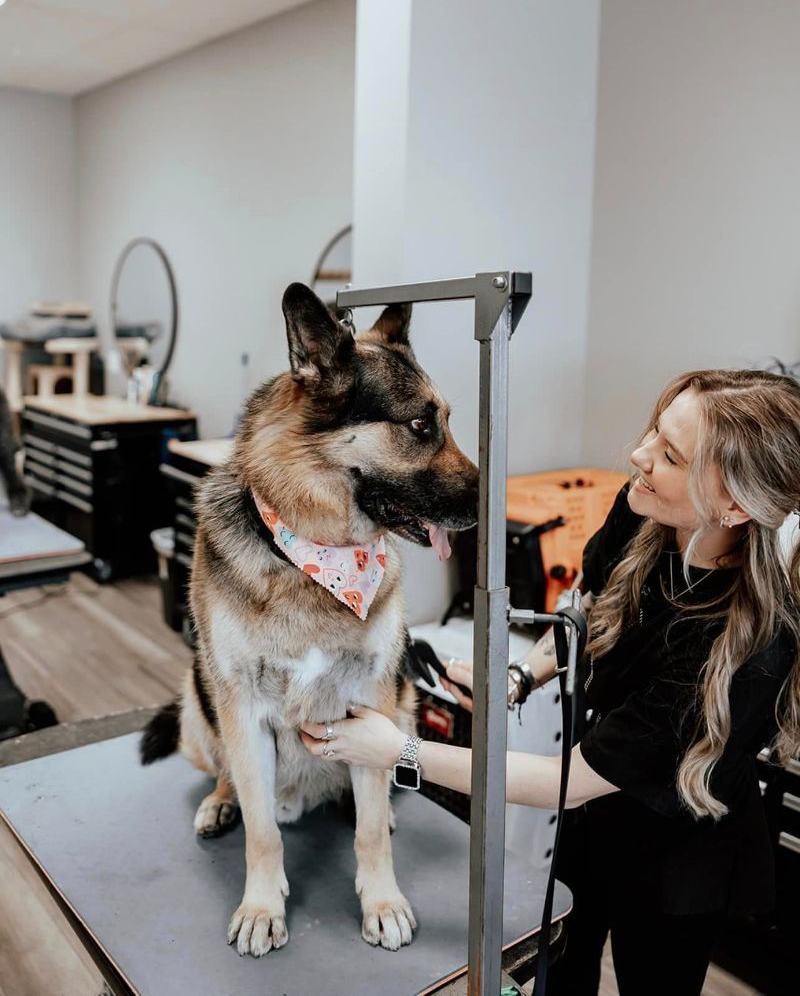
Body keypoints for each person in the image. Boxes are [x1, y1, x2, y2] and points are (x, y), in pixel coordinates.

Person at [300, 369, 800, 996]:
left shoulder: (740, 651)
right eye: (653, 430)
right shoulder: (643, 510)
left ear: (734, 505)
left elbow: (568, 783)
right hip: (595, 824)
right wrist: (516, 677)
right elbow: (591, 613)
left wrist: (397, 751)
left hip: (681, 854)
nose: (639, 455)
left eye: (670, 455)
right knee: (559, 972)